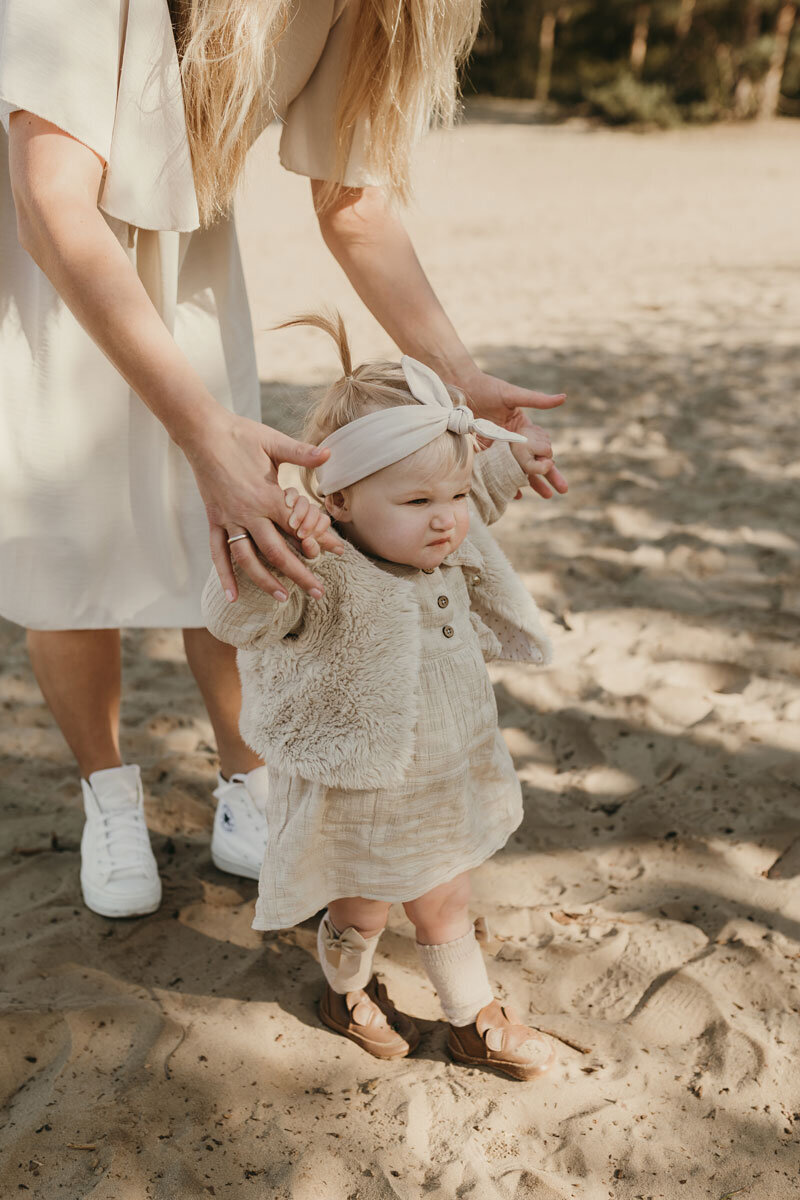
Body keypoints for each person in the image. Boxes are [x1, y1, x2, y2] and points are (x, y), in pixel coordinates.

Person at [0, 0, 566, 919]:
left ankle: (247, 783)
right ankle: (108, 795)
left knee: (225, 538)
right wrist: (201, 430)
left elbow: (353, 203)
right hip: (41, 274)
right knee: (65, 548)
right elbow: (47, 201)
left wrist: (459, 376)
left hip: (190, 267)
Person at [202, 313, 558, 1081]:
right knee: (358, 911)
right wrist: (273, 543)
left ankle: (471, 1018)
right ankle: (347, 992)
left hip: (446, 775)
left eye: (455, 493)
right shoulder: (319, 567)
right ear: (336, 501)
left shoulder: (444, 531)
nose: (447, 517)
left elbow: (473, 493)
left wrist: (514, 460)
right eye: (418, 501)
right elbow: (237, 615)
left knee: (447, 902)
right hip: (361, 792)